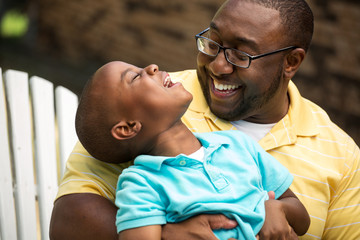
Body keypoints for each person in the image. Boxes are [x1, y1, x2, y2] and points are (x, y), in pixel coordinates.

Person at [50, 0, 360, 239]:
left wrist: (277, 210)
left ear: (291, 62)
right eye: (212, 42)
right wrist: (167, 234)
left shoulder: (341, 156)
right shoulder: (147, 111)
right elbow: (69, 218)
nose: (217, 66)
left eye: (241, 55)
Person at [74, 60, 310, 240]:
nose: (152, 67)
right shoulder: (141, 184)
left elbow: (302, 218)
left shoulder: (237, 144)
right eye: (135, 77)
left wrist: (276, 208)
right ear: (127, 128)